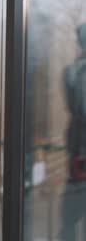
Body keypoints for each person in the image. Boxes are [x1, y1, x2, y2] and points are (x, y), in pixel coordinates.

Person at [60, 22, 86, 241]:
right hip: (80, 146)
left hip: (79, 144)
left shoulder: (72, 71)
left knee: (70, 216)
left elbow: (75, 107)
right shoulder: (75, 72)